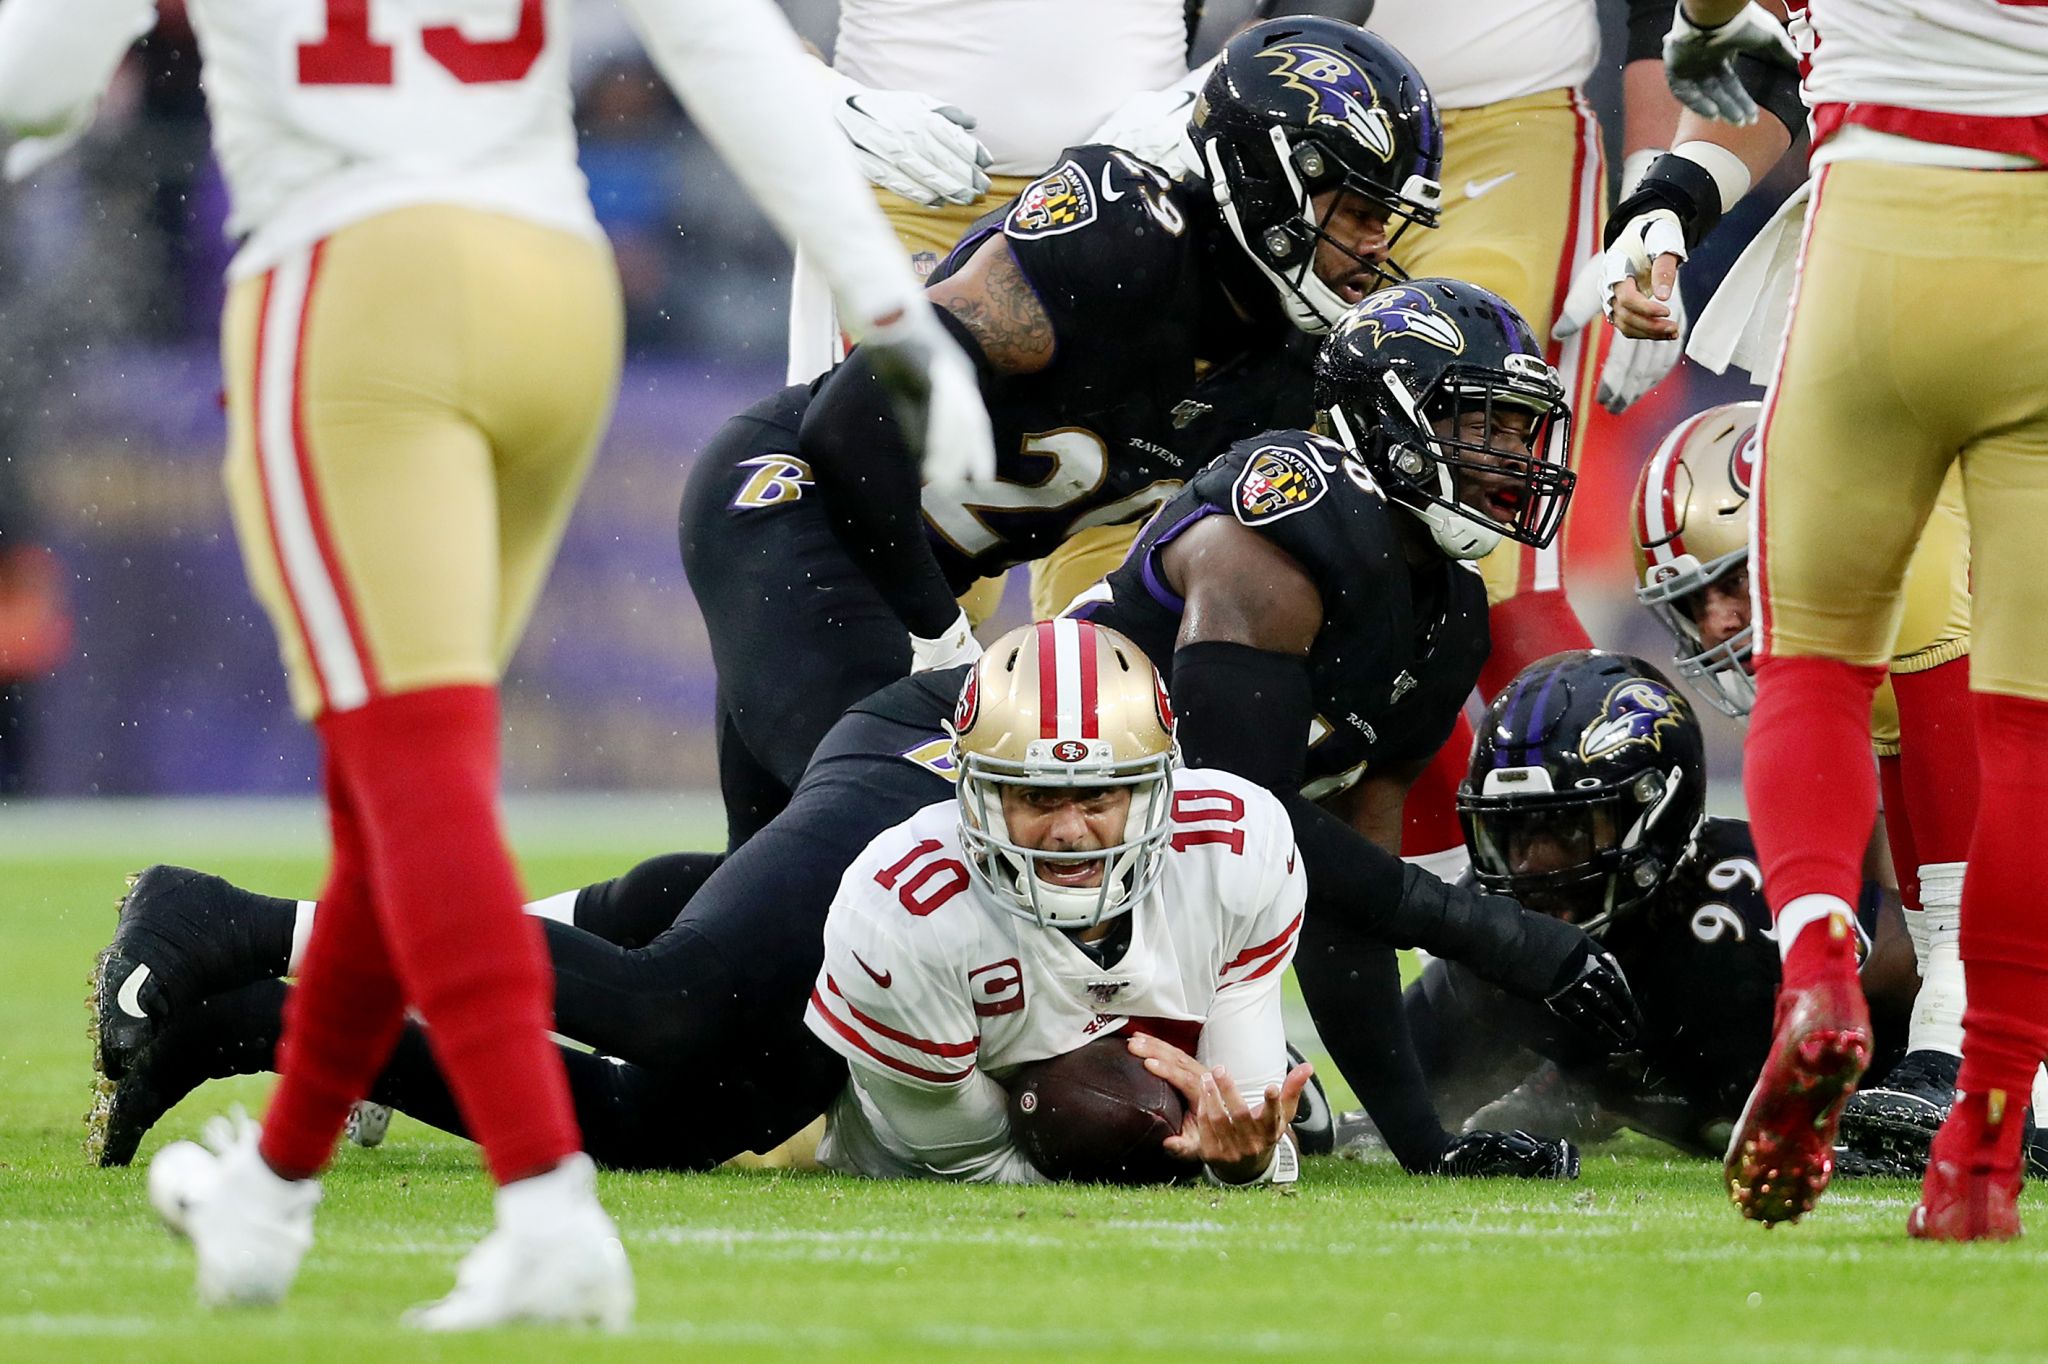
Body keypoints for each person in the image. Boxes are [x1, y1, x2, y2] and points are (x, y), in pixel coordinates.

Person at [93, 284, 1624, 1183]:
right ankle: (237, 921)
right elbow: (1248, 819)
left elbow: (1317, 902)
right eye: (1482, 426)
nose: (1510, 459)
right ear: (1386, 418)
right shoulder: (1280, 548)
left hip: (1070, 837)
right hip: (961, 774)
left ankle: (257, 1026)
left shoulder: (1434, 611)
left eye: (1516, 433)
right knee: (679, 1004)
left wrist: (1419, 1143)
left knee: (682, 1117)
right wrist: (1509, 938)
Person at [0, 0, 996, 1328]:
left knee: (415, 776)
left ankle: (547, 1214)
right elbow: (719, 44)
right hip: (550, 291)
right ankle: (274, 1188)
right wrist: (886, 300)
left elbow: (40, 79)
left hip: (353, 286)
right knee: (399, 783)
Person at [687, 16, 1445, 848]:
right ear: (1268, 180)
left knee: (768, 930)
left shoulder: (1288, 365)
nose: (1376, 247)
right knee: (921, 849)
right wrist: (938, 634)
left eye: (1389, 219)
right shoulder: (1119, 239)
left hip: (880, 556)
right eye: (1360, 210)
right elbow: (850, 423)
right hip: (797, 500)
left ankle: (555, 938)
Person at [1665, 0, 2048, 1238]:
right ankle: (1986, 1134)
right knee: (2030, 735)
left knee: (1813, 673)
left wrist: (1699, 31)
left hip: (1876, 226)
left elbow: (1717, 20)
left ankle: (1821, 960)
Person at [1627, 398, 1983, 1172]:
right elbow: (1924, 914)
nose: (1718, 624)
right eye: (1693, 604)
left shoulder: (1912, 563)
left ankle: (1983, 1077)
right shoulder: (1874, 626)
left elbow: (1971, 896)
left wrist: (1938, 1050)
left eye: (1731, 585)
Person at [1400, 650, 1920, 1162]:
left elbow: (1915, 961)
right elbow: (1409, 1073)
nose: (1534, 864)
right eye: (1511, 832)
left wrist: (1926, 1075)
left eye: (1566, 828)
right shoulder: (1492, 933)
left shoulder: (1745, 910)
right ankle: (1580, 1087)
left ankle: (1585, 1088)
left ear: (1657, 810)